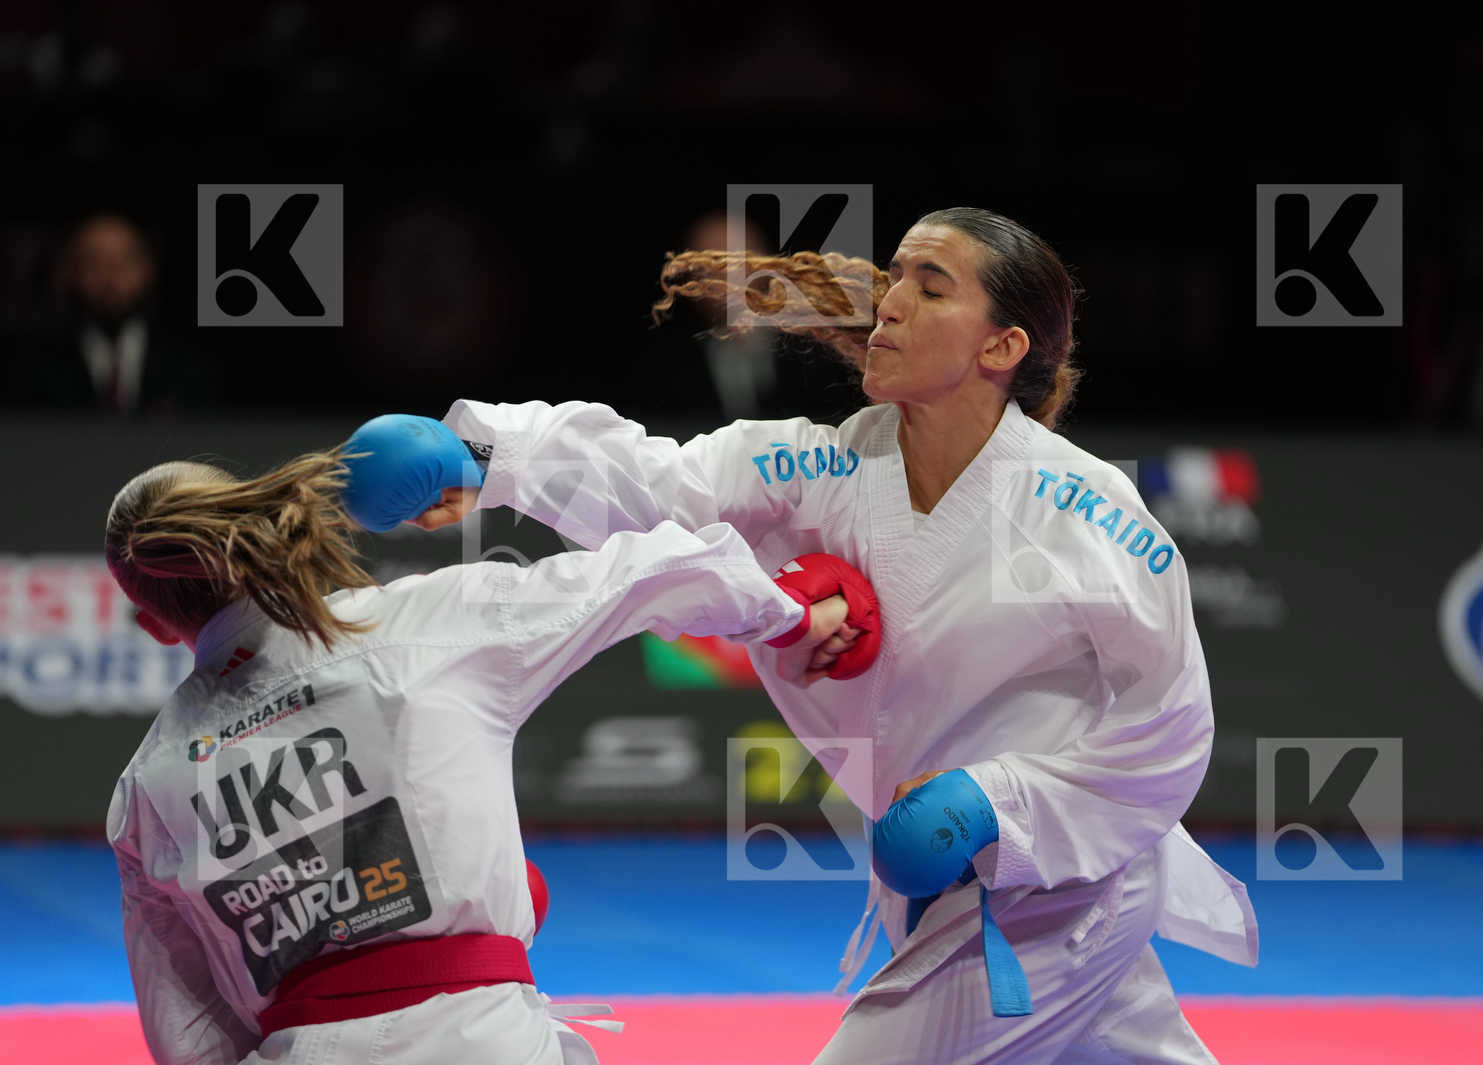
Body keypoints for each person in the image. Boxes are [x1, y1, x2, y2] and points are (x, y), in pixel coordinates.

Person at [373, 208, 1257, 1064]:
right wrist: (486, 459)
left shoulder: (1088, 511)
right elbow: (658, 480)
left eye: (931, 288)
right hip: (958, 885)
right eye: (897, 277)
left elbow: (1171, 723)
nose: (892, 303)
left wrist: (997, 801)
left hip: (1058, 890)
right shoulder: (827, 465)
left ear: (1001, 348)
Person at [104, 421, 868, 1065]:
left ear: (154, 625)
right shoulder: (411, 628)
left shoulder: (145, 789)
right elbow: (642, 573)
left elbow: (192, 1035)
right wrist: (789, 614)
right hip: (485, 1041)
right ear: (257, 539)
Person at [18, 212, 211, 415]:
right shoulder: (34, 372)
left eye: (126, 259)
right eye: (94, 260)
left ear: (149, 269)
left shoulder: (189, 369)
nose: (111, 274)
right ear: (68, 272)